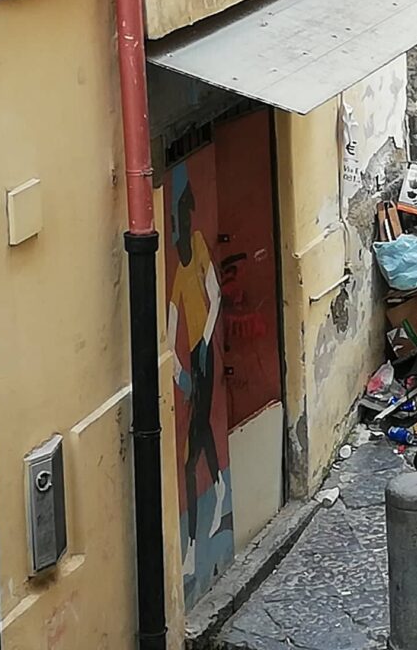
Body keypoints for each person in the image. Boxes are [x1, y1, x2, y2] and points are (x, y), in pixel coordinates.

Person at [168, 164, 227, 578]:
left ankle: (189, 549)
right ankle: (221, 489)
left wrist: (205, 341)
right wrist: (177, 371)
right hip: (193, 362)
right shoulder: (176, 268)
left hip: (205, 355)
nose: (182, 219)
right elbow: (169, 331)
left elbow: (216, 294)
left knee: (190, 460)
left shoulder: (199, 246)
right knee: (201, 435)